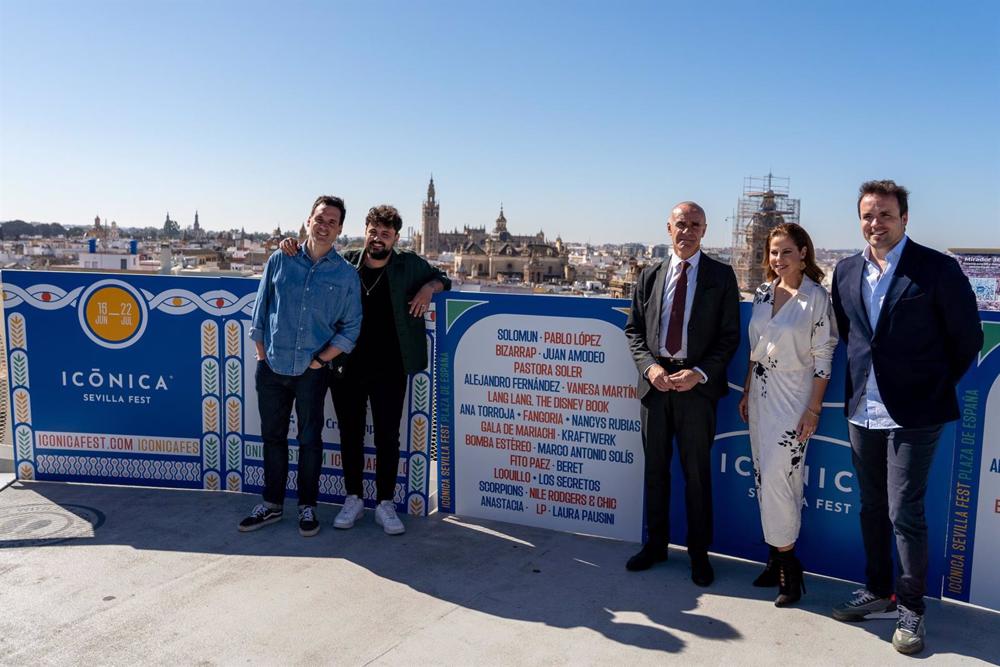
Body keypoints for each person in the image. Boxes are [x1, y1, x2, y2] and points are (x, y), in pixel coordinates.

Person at [830, 180, 982, 654]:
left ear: (905, 218)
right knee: (872, 506)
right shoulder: (847, 270)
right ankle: (878, 590)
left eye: (886, 215)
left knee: (904, 511)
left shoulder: (936, 269)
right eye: (868, 215)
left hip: (915, 411)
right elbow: (850, 333)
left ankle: (911, 610)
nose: (876, 223)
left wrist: (931, 387)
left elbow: (966, 338)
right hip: (862, 409)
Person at [281, 205, 450, 535]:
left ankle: (385, 503)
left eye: (386, 234)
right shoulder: (346, 261)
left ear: (395, 238)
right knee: (350, 434)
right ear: (366, 230)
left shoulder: (407, 264)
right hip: (347, 366)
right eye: (373, 231)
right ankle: (354, 498)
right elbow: (309, 260)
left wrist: (430, 289)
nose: (378, 238)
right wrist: (289, 244)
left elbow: (442, 278)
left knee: (388, 436)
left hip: (391, 366)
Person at [624, 201, 741, 586]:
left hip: (696, 389)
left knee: (696, 475)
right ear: (668, 228)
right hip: (655, 386)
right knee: (655, 472)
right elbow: (634, 331)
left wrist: (700, 373)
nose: (687, 231)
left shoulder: (721, 276)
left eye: (695, 225)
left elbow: (729, 337)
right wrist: (651, 368)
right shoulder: (650, 275)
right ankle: (656, 545)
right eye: (680, 224)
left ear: (704, 231)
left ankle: (698, 555)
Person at [239, 195, 362, 537]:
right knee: (273, 437)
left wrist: (320, 361)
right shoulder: (282, 258)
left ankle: (308, 506)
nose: (324, 226)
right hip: (272, 367)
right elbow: (261, 311)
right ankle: (272, 504)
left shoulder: (345, 274)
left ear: (339, 229)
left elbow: (351, 327)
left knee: (310, 440)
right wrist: (262, 353)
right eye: (319, 218)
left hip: (311, 372)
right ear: (308, 220)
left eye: (332, 222)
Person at [738, 222, 837, 606]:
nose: (778, 259)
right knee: (765, 475)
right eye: (773, 252)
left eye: (786, 252)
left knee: (782, 478)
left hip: (794, 397)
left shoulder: (815, 299)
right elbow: (754, 348)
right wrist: (747, 390)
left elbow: (823, 359)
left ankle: (789, 571)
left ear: (803, 254)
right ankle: (774, 558)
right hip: (761, 396)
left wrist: (813, 409)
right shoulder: (763, 294)